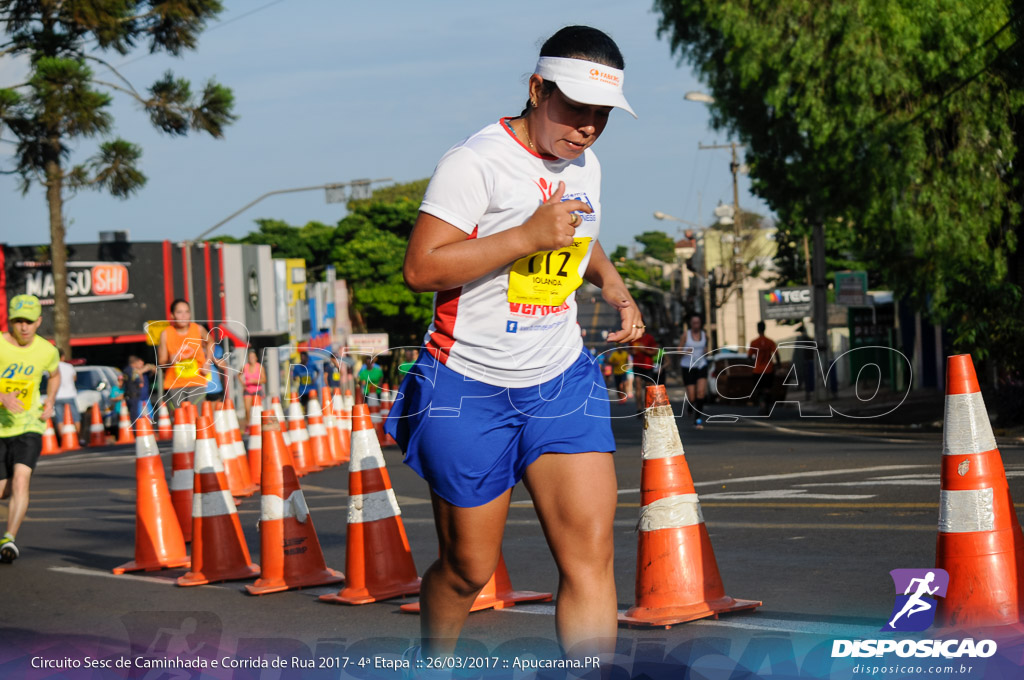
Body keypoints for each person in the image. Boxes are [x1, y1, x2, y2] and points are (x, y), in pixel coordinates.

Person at [385, 25, 640, 666]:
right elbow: (422, 269)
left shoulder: (587, 164)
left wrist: (611, 282)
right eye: (575, 109)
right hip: (466, 383)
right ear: (536, 89)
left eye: (600, 116)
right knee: (468, 568)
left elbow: (578, 231)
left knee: (590, 556)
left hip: (559, 377)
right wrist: (526, 236)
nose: (586, 128)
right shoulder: (473, 163)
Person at [0, 295, 60, 563]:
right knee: (5, 488)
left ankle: (9, 538)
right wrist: (2, 397)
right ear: (10, 322)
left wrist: (50, 399)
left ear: (39, 321)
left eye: (29, 321)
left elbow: (55, 374)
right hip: (1, 428)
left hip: (29, 425)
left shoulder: (47, 351)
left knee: (22, 478)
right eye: (18, 321)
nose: (24, 327)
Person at [157, 299, 215, 409]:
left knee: (196, 418)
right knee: (181, 421)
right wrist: (170, 360)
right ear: (172, 315)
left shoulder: (198, 329)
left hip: (197, 381)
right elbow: (161, 363)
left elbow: (211, 342)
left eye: (187, 312)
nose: (184, 316)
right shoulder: (166, 334)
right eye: (179, 312)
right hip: (175, 384)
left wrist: (208, 361)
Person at [679, 314, 710, 428]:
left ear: (700, 324)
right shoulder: (686, 335)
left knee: (701, 392)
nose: (696, 325)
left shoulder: (704, 335)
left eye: (698, 322)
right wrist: (684, 351)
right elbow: (678, 350)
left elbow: (707, 348)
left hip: (701, 365)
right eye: (694, 323)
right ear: (691, 324)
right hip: (688, 366)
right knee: (692, 396)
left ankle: (698, 419)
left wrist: (707, 350)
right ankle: (690, 405)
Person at [748, 321, 780, 413]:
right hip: (768, 369)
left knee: (758, 389)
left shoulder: (754, 342)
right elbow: (776, 354)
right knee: (768, 389)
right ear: (765, 328)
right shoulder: (770, 342)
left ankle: (762, 405)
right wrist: (778, 365)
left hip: (757, 370)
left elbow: (749, 357)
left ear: (757, 329)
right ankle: (766, 405)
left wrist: (753, 363)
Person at [52, 351, 80, 440]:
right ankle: (77, 438)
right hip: (70, 394)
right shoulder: (69, 367)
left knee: (60, 419)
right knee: (75, 417)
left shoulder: (52, 367)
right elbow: (74, 378)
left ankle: (63, 439)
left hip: (57, 396)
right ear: (62, 357)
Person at [631, 328, 659, 413]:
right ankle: (639, 408)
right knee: (638, 385)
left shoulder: (649, 338)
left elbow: (655, 351)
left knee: (648, 386)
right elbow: (630, 350)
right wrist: (633, 352)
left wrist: (644, 350)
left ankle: (647, 405)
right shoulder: (633, 338)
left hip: (647, 365)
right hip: (637, 365)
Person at [124, 355, 156, 421]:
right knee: (138, 417)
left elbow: (155, 370)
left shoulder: (144, 372)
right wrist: (143, 370)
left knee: (149, 416)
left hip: (145, 398)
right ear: (135, 363)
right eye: (140, 363)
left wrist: (150, 367)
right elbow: (135, 377)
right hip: (136, 398)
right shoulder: (128, 370)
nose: (142, 364)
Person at [240, 349, 266, 426]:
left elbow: (264, 379)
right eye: (250, 357)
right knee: (247, 409)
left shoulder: (259, 367)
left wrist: (255, 381)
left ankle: (258, 425)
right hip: (247, 390)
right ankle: (248, 424)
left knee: (256, 410)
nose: (251, 358)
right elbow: (238, 375)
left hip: (257, 390)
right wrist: (243, 383)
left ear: (256, 358)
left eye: (253, 357)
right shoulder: (245, 367)